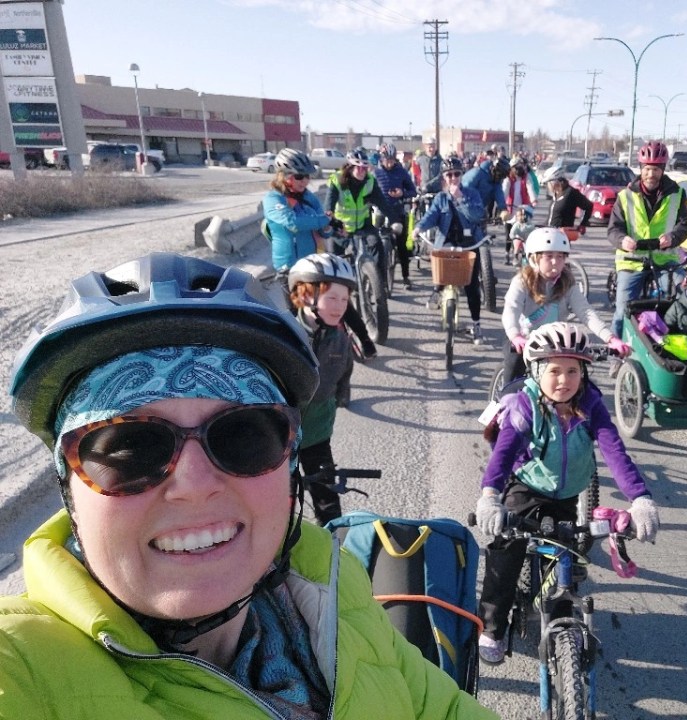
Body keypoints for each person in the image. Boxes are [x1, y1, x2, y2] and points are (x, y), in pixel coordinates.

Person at [0, 252, 496, 719]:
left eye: (244, 437)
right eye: (132, 450)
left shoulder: (330, 587)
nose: (194, 485)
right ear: (68, 486)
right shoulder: (21, 664)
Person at [473, 322, 659, 664]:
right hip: (526, 487)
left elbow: (615, 451)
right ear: (536, 370)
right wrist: (489, 496)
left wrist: (640, 498)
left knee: (563, 559)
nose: (564, 379)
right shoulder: (523, 404)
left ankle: (559, 624)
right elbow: (502, 456)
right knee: (508, 549)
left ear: (584, 372)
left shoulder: (590, 403)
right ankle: (492, 626)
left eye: (573, 370)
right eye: (555, 370)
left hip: (568, 493)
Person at [500, 227, 630, 384]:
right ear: (534, 259)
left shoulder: (567, 283)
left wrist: (610, 338)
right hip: (526, 340)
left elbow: (586, 312)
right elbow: (511, 310)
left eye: (560, 256)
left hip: (556, 342)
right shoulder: (521, 282)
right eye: (549, 256)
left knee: (579, 380)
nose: (555, 262)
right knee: (513, 371)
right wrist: (516, 336)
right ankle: (502, 403)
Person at [288, 253, 356, 524]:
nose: (340, 306)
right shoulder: (286, 334)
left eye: (345, 299)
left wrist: (340, 397)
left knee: (326, 495)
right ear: (305, 295)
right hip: (282, 432)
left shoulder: (339, 338)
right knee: (282, 498)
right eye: (332, 298)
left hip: (317, 431)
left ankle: (334, 545)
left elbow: (344, 373)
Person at [607, 140, 687, 339]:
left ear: (663, 169)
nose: (650, 174)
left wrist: (672, 237)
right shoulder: (625, 196)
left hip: (664, 260)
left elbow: (685, 224)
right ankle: (617, 356)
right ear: (641, 169)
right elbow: (613, 229)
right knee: (622, 311)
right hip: (632, 262)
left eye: (655, 169)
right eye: (647, 169)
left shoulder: (677, 194)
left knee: (684, 297)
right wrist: (623, 240)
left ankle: (682, 343)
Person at [323, 149, 391, 358]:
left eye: (365, 166)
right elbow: (328, 208)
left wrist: (396, 219)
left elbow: (383, 203)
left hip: (362, 226)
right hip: (341, 230)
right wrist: (333, 224)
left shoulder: (370, 182)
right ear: (350, 166)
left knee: (377, 245)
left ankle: (377, 283)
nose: (362, 170)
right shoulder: (337, 182)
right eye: (358, 166)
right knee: (334, 268)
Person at [414, 156, 488, 344]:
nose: (453, 178)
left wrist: (460, 199)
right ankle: (437, 290)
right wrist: (419, 228)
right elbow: (431, 216)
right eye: (449, 175)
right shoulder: (440, 198)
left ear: (461, 176)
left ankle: (476, 324)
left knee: (472, 287)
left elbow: (477, 215)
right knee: (441, 267)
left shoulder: (472, 194)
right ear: (444, 178)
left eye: (456, 174)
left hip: (469, 242)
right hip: (446, 242)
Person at [261, 148, 332, 275]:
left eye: (307, 176)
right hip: (289, 266)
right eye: (299, 176)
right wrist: (324, 220)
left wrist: (329, 228)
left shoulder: (309, 197)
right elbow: (292, 222)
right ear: (283, 176)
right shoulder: (273, 199)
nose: (305, 181)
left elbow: (321, 230)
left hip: (314, 262)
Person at [373, 143, 418, 289]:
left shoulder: (402, 172)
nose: (390, 162)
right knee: (375, 244)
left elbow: (413, 190)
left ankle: (405, 277)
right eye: (387, 159)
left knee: (402, 246)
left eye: (392, 159)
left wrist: (402, 193)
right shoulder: (375, 173)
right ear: (381, 158)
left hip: (398, 211)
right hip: (380, 212)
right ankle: (377, 276)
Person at [543, 166, 592, 236]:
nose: (548, 186)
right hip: (550, 234)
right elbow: (552, 217)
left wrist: (583, 224)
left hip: (562, 236)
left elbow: (589, 206)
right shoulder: (556, 194)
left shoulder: (571, 193)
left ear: (554, 182)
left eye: (548, 183)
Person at [502, 158, 534, 263]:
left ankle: (523, 253)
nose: (519, 169)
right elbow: (504, 192)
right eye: (516, 167)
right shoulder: (508, 179)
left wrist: (533, 200)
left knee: (523, 232)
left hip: (523, 210)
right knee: (509, 233)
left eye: (520, 166)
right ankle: (507, 253)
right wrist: (502, 204)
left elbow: (530, 189)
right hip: (510, 210)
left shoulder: (527, 177)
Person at [462, 155, 509, 225]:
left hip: (480, 210)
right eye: (500, 174)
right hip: (465, 209)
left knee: (480, 233)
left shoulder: (496, 180)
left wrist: (503, 209)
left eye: (502, 176)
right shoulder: (477, 174)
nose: (500, 177)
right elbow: (465, 190)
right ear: (493, 169)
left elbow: (499, 194)